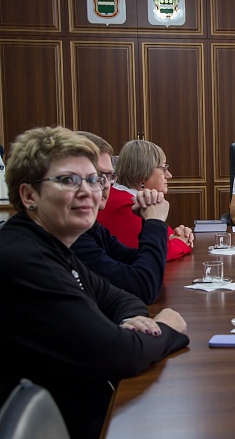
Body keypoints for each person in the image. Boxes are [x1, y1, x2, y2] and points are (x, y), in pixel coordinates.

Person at [0, 126, 189, 439]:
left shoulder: (54, 242)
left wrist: (132, 320)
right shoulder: (24, 259)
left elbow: (120, 297)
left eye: (94, 179)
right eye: (68, 180)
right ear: (29, 195)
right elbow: (119, 355)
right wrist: (165, 327)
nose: (91, 191)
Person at [71, 131, 170, 304]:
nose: (104, 187)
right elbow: (143, 286)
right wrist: (154, 222)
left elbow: (140, 265)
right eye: (94, 177)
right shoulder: (70, 237)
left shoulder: (88, 228)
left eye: (108, 177)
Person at [97, 139, 193, 261]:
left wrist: (180, 234)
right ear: (143, 174)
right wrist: (181, 242)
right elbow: (155, 253)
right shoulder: (127, 204)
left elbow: (163, 237)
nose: (169, 175)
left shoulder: (128, 197)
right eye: (163, 168)